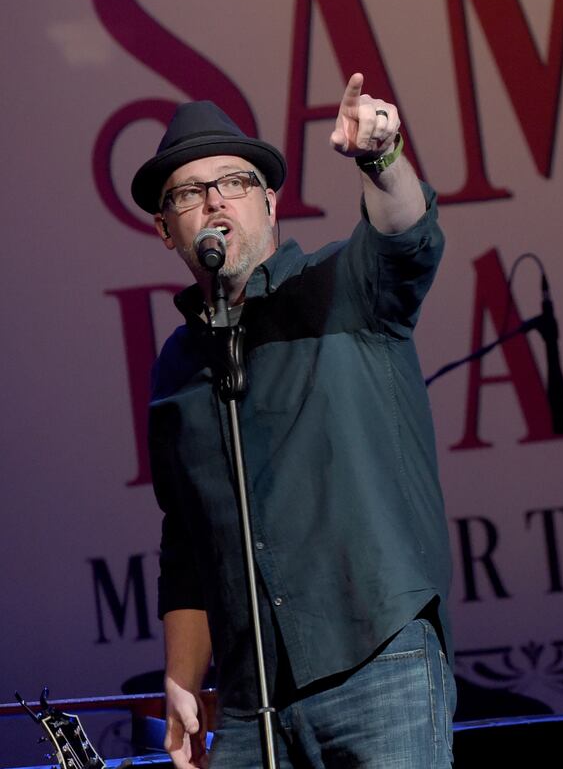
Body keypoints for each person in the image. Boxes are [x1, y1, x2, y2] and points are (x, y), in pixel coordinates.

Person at [131, 73, 455, 768]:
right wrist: (182, 676)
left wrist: (381, 158)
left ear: (271, 203)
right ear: (165, 229)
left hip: (378, 660)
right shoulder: (176, 368)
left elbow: (406, 237)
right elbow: (185, 541)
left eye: (235, 182)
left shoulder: (343, 286)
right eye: (189, 193)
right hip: (253, 702)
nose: (216, 199)